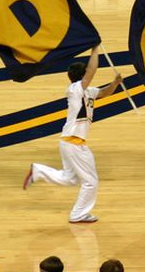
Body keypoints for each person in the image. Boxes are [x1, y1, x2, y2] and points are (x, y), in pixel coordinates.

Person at [24, 46, 124, 223]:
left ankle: (38, 171)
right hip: (74, 143)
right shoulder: (74, 89)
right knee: (91, 181)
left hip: (69, 142)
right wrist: (95, 48)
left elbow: (103, 93)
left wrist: (114, 83)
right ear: (82, 75)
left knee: (70, 179)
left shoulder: (87, 91)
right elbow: (92, 71)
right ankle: (78, 214)